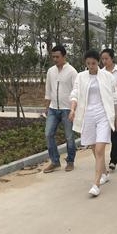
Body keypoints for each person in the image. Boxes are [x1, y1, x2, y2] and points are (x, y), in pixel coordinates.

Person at [69, 50, 117, 197]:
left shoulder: (107, 77)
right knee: (93, 146)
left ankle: (96, 184)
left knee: (99, 149)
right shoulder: (81, 76)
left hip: (103, 114)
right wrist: (72, 109)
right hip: (88, 115)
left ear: (98, 62)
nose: (91, 66)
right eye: (88, 63)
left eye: (94, 63)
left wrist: (116, 117)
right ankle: (104, 173)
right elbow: (75, 94)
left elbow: (114, 98)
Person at [43, 45, 78, 173]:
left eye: (57, 57)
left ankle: (70, 161)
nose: (55, 59)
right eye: (53, 57)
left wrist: (74, 109)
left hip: (67, 109)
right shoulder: (50, 71)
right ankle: (55, 161)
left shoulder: (72, 72)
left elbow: (76, 91)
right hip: (53, 109)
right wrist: (46, 107)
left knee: (69, 137)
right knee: (48, 134)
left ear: (64, 56)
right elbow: (48, 90)